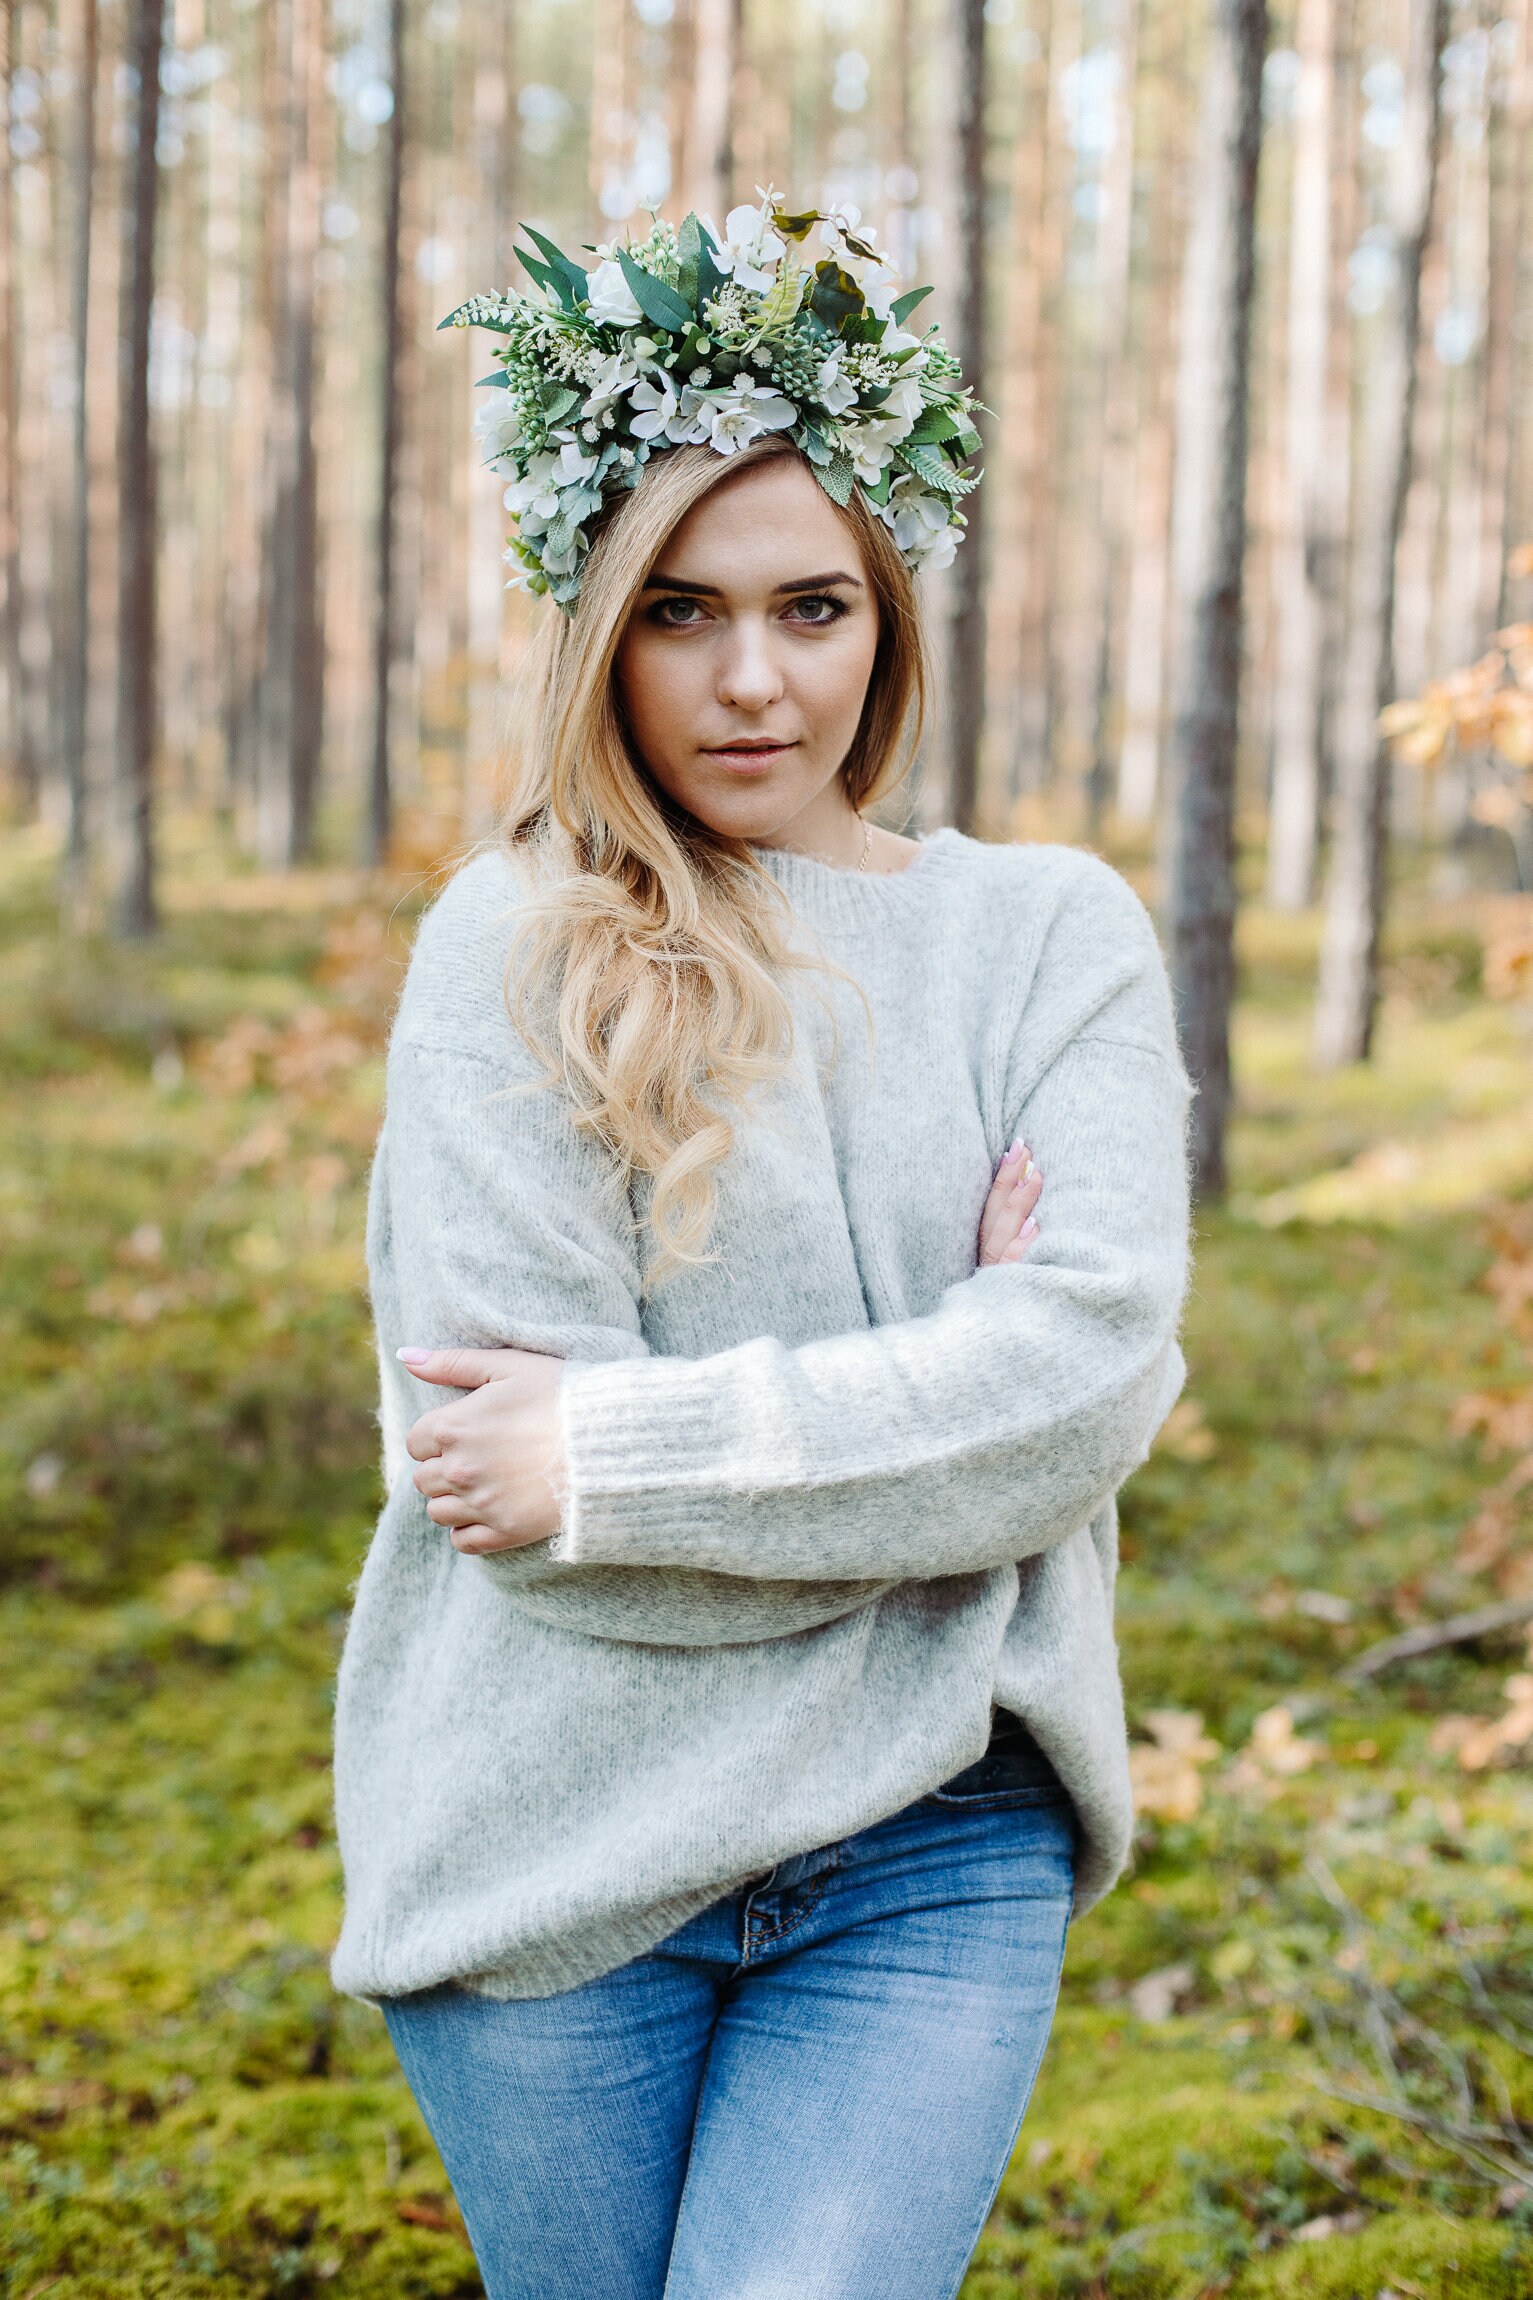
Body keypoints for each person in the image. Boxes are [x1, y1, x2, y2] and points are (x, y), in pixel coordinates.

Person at [330, 200, 1192, 2300]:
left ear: (886, 615)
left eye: (810, 605)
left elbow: (1074, 1384)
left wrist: (623, 1447)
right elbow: (502, 1499)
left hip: (926, 1838)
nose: (748, 679)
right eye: (679, 613)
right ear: (596, 631)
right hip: (551, 1844)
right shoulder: (510, 943)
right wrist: (939, 1432)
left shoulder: (1041, 935)